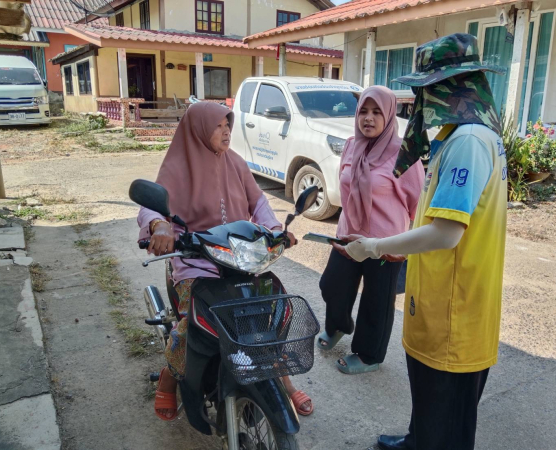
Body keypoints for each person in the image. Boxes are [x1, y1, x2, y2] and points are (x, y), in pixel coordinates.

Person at [343, 33, 507, 450]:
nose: (421, 99)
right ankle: (418, 440)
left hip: (456, 308)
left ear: (456, 88)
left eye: (428, 88)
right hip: (439, 300)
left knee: (447, 418)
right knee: (429, 402)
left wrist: (375, 246)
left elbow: (448, 232)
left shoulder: (469, 142)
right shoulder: (458, 135)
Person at [137, 102, 314, 421]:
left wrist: (275, 231)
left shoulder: (236, 162)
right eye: (218, 125)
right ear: (200, 130)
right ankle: (169, 374)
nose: (226, 130)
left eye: (228, 124)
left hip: (241, 259)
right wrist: (160, 226)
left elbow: (258, 202)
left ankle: (280, 378)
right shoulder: (178, 166)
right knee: (191, 326)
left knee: (268, 314)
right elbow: (153, 206)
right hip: (195, 263)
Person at [317, 86, 424, 374]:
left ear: (389, 114)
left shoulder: (404, 153)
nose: (369, 118)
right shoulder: (352, 144)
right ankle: (338, 326)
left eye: (377, 112)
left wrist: (396, 229)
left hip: (385, 240)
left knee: (377, 302)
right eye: (364, 110)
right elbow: (345, 183)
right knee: (332, 286)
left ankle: (369, 355)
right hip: (349, 234)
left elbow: (417, 199)